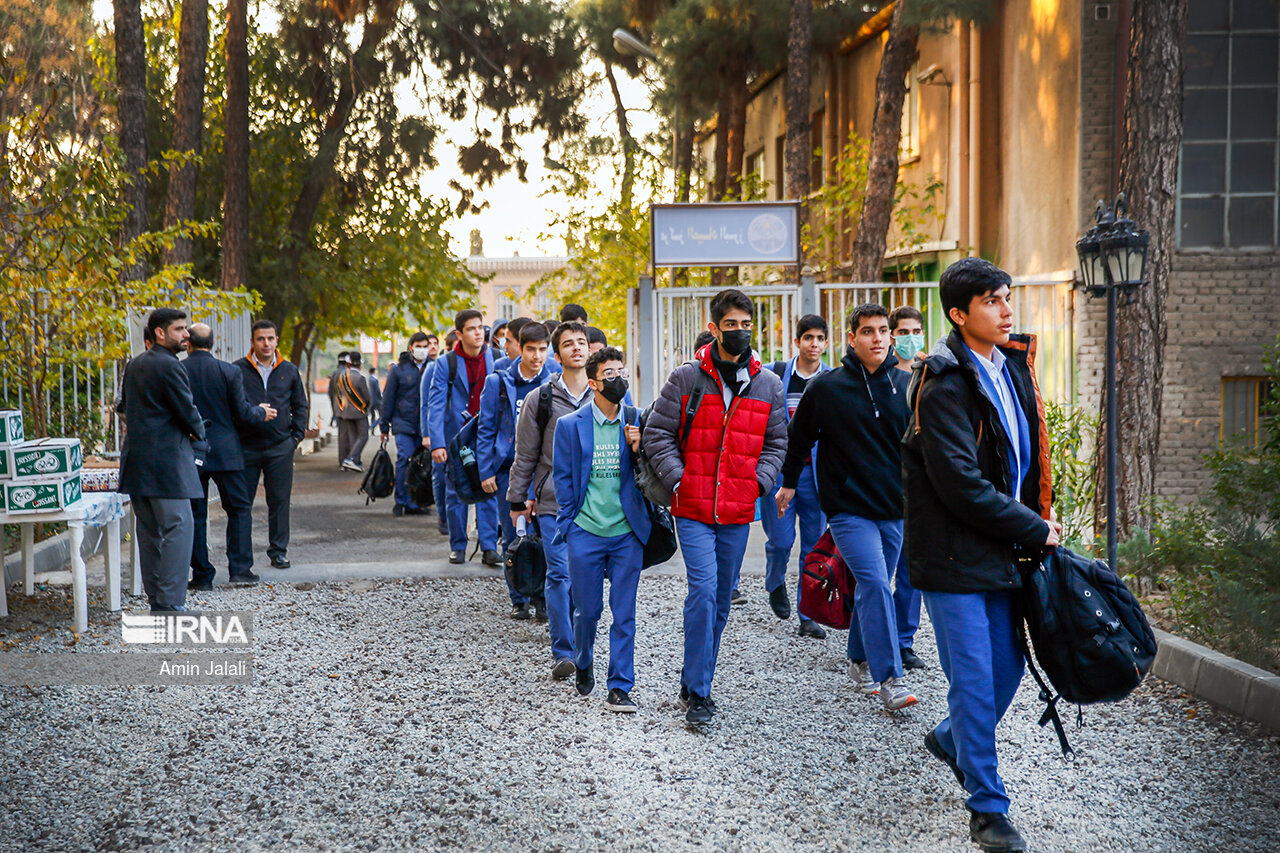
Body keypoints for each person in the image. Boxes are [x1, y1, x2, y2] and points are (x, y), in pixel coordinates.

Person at [904, 258, 1059, 853]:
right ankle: (989, 810)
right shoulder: (943, 383)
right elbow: (961, 485)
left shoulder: (1011, 367)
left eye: (1006, 297)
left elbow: (1023, 461)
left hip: (1004, 551)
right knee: (973, 681)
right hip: (951, 558)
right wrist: (1033, 527)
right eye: (993, 301)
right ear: (958, 313)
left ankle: (950, 739)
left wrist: (1037, 518)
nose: (1006, 309)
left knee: (1007, 670)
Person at [642, 289, 787, 724]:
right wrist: (680, 480)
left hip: (737, 510)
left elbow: (777, 444)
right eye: (731, 325)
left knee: (721, 600)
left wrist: (755, 483)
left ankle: (693, 675)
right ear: (714, 328)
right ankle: (700, 695)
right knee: (703, 592)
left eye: (747, 325)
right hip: (693, 508)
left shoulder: (769, 384)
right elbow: (656, 435)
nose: (740, 332)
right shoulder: (687, 379)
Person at [777, 303, 916, 711]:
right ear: (851, 339)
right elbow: (799, 438)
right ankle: (890, 677)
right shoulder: (827, 387)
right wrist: (787, 484)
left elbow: (922, 448)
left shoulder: (909, 386)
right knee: (874, 583)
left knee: (874, 585)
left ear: (891, 336)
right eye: (868, 331)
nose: (877, 338)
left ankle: (857, 658)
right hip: (847, 509)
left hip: (894, 507)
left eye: (883, 330)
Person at [552, 346, 650, 712]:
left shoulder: (637, 419)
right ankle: (583, 656)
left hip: (627, 534)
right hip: (586, 531)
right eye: (609, 374)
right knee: (587, 611)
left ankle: (620, 685)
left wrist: (639, 447)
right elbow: (562, 480)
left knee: (624, 613)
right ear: (593, 383)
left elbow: (649, 476)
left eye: (621, 371)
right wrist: (570, 523)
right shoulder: (570, 426)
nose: (618, 379)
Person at [508, 321, 592, 679]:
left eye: (582, 342)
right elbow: (525, 454)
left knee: (584, 577)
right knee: (558, 574)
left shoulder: (607, 393)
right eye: (568, 344)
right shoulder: (539, 399)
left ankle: (583, 646)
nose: (576, 348)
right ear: (558, 356)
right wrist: (517, 501)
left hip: (596, 504)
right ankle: (563, 651)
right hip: (552, 502)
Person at [118, 309, 208, 612]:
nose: (187, 335)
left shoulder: (135, 364)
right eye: (180, 329)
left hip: (137, 461)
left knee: (149, 534)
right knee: (179, 528)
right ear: (159, 333)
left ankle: (158, 600)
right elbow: (187, 409)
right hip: (167, 464)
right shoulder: (170, 365)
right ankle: (170, 604)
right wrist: (199, 435)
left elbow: (124, 407)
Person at [756, 314, 832, 639]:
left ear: (826, 343)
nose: (814, 344)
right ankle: (775, 582)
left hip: (818, 476)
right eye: (808, 338)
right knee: (782, 539)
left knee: (814, 546)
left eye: (819, 338)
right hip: (780, 473)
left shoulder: (833, 380)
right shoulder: (775, 376)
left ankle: (807, 614)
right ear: (797, 342)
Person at [183, 323, 275, 589]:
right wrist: (261, 412)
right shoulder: (229, 371)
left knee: (195, 514)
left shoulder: (178, 370)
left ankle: (201, 575)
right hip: (226, 451)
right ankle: (240, 569)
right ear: (213, 344)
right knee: (238, 509)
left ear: (188, 343)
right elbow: (243, 413)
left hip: (191, 451)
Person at [477, 321, 554, 618]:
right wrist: (486, 470)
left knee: (545, 535)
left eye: (543, 350)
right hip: (508, 471)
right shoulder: (499, 381)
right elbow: (486, 428)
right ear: (518, 349)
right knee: (514, 535)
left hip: (544, 472)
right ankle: (518, 597)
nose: (537, 356)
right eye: (531, 349)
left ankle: (543, 598)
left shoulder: (554, 380)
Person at [428, 309, 500, 565]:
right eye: (471, 328)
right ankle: (458, 545)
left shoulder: (496, 358)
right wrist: (437, 443)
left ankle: (490, 547)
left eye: (480, 327)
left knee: (488, 486)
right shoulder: (446, 363)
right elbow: (435, 405)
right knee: (455, 490)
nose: (478, 332)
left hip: (486, 433)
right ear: (459, 334)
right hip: (456, 436)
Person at [236, 320, 308, 570]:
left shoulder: (289, 370)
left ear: (277, 340)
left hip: (280, 447)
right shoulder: (238, 370)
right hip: (246, 447)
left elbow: (300, 406)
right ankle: (242, 559)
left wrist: (295, 438)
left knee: (279, 501)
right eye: (260, 339)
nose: (266, 343)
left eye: (270, 338)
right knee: (242, 503)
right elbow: (231, 406)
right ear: (252, 342)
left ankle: (278, 551)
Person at [889, 305, 927, 669]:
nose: (910, 338)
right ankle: (874, 636)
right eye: (903, 331)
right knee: (879, 575)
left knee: (911, 573)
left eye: (916, 330)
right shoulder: (881, 380)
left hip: (918, 492)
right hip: (883, 489)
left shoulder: (929, 377)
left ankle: (904, 640)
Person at [380, 332, 432, 516]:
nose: (422, 349)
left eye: (425, 345)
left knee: (421, 463)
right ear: (411, 347)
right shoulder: (398, 370)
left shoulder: (433, 368)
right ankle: (401, 500)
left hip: (424, 425)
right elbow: (388, 399)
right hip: (403, 422)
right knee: (404, 458)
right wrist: (384, 426)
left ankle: (417, 500)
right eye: (418, 346)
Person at [332, 351, 371, 472]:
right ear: (360, 364)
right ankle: (351, 459)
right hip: (359, 412)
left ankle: (352, 462)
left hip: (345, 412)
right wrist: (365, 407)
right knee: (363, 436)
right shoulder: (360, 378)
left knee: (351, 437)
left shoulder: (342, 377)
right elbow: (367, 397)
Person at [367, 365, 382, 431]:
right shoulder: (375, 380)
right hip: (377, 400)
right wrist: (381, 398)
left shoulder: (369, 379)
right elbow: (378, 391)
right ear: (374, 371)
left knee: (372, 415)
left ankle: (372, 429)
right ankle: (373, 425)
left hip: (371, 400)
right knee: (382, 415)